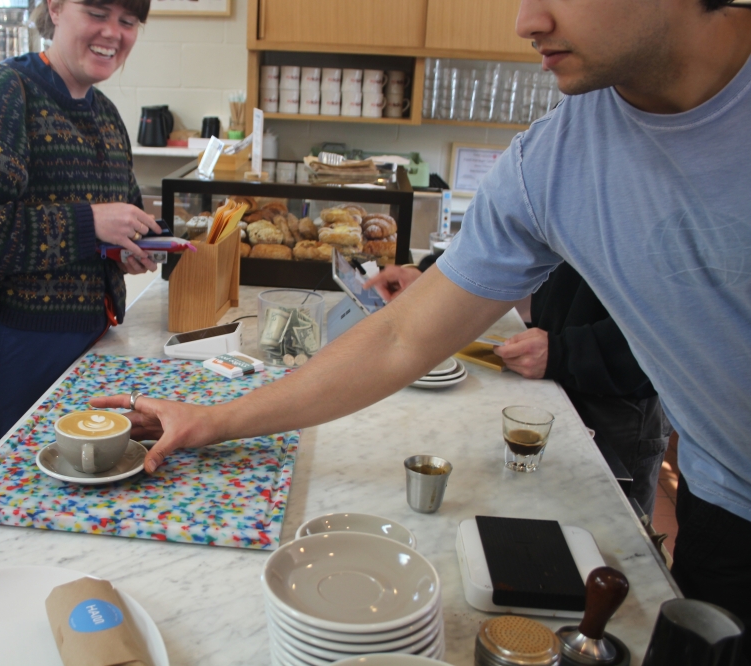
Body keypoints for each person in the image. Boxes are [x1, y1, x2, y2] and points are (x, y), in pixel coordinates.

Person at [92, 0, 751, 655]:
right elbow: (399, 336)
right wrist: (212, 420)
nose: (526, 22)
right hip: (720, 508)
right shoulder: (557, 157)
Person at [0, 0, 159, 470]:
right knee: (8, 493)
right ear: (54, 7)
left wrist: (125, 249)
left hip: (92, 350)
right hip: (13, 356)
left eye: (128, 21)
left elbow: (102, 230)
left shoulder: (108, 117)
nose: (113, 32)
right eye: (97, 12)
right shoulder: (0, 93)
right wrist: (88, 223)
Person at [372, 260, 672, 518]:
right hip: (550, 365)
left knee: (614, 535)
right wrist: (435, 278)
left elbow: (672, 327)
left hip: (618, 398)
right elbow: (505, 239)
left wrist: (568, 353)